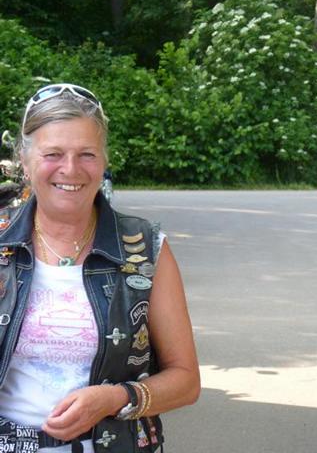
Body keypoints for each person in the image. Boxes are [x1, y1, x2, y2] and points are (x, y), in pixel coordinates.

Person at [0, 84, 200, 452]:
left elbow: (186, 381)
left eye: (87, 154)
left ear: (104, 161)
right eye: (53, 154)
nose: (71, 169)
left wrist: (115, 398)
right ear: (24, 162)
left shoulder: (146, 248)